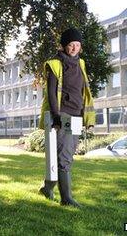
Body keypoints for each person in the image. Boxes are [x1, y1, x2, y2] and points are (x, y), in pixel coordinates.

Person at [38, 27, 95, 207]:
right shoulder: (55, 64)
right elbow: (52, 93)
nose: (74, 48)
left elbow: (83, 91)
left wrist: (87, 117)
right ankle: (66, 198)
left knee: (65, 154)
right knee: (64, 155)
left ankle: (47, 188)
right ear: (63, 46)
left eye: (77, 45)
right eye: (71, 45)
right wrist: (55, 116)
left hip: (77, 114)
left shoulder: (81, 63)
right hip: (62, 114)